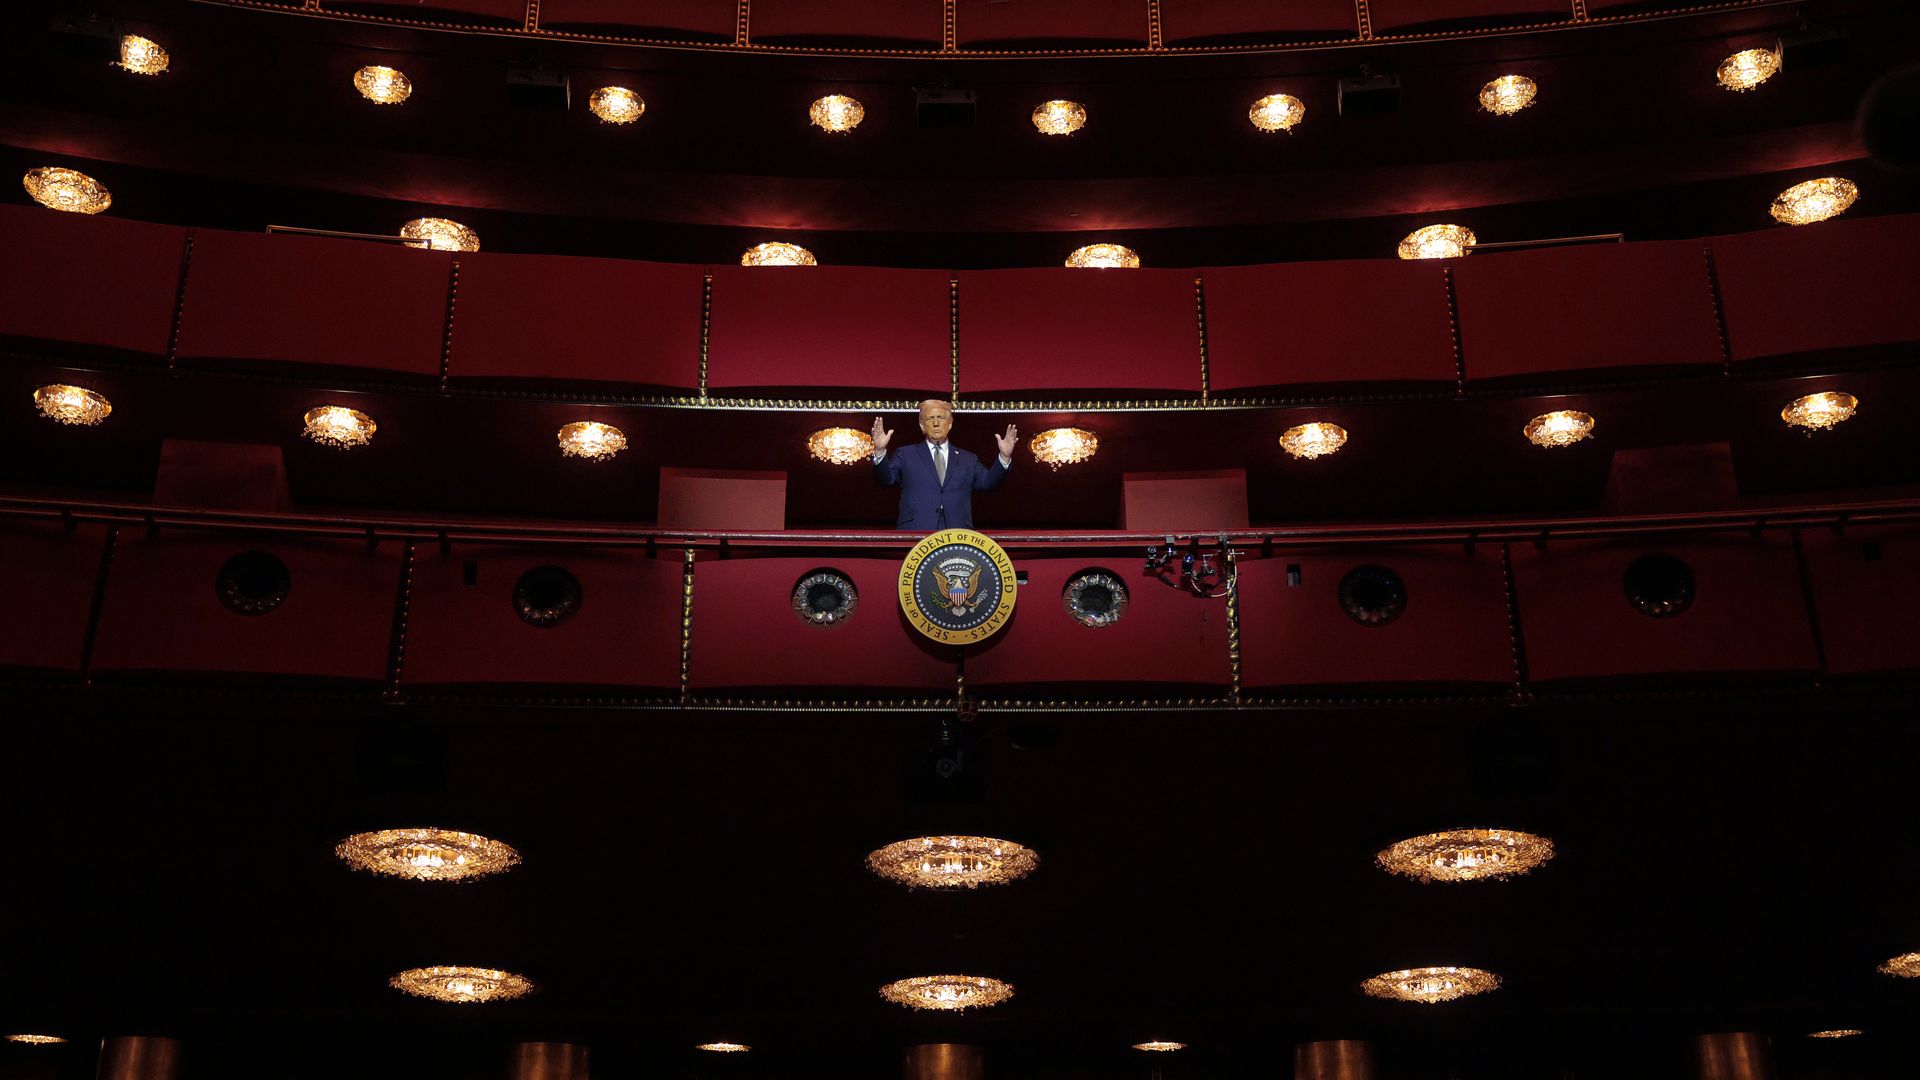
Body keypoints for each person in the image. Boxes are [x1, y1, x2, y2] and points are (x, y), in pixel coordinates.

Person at [871, 400, 1019, 531]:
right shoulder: (905, 454)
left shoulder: (968, 459)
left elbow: (988, 484)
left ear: (950, 424)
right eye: (930, 418)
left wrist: (1004, 457)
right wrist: (879, 450)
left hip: (957, 534)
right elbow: (887, 479)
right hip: (916, 532)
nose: (936, 423)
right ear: (922, 425)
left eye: (941, 418)